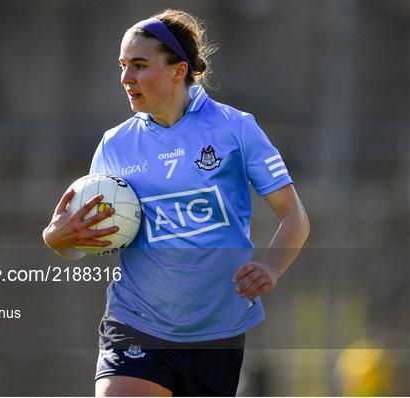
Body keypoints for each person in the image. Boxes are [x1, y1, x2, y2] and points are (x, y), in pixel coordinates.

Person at [42, 9, 309, 396]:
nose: (125, 78)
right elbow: (86, 240)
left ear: (178, 70)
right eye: (122, 66)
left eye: (138, 65)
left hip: (217, 330)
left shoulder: (235, 128)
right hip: (135, 320)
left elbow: (294, 216)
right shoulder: (115, 145)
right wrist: (59, 239)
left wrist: (271, 267)